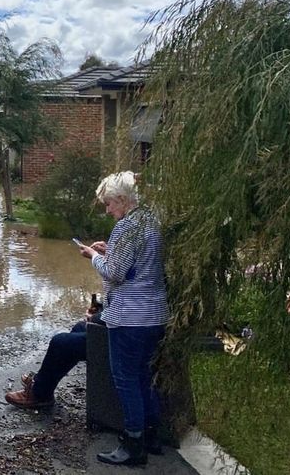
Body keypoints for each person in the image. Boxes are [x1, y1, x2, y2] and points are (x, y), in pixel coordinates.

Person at [78, 171, 168, 467]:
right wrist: (110, 251)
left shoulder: (126, 226)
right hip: (154, 314)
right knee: (143, 376)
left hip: (130, 317)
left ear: (121, 199)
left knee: (126, 379)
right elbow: (137, 264)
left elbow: (115, 273)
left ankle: (133, 445)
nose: (107, 210)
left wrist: (92, 255)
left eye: (108, 204)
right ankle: (152, 436)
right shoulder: (151, 220)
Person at [4, 299, 103, 410]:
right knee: (79, 327)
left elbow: (123, 314)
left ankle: (39, 394)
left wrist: (95, 318)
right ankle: (42, 384)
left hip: (120, 339)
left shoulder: (124, 281)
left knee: (60, 343)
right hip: (119, 331)